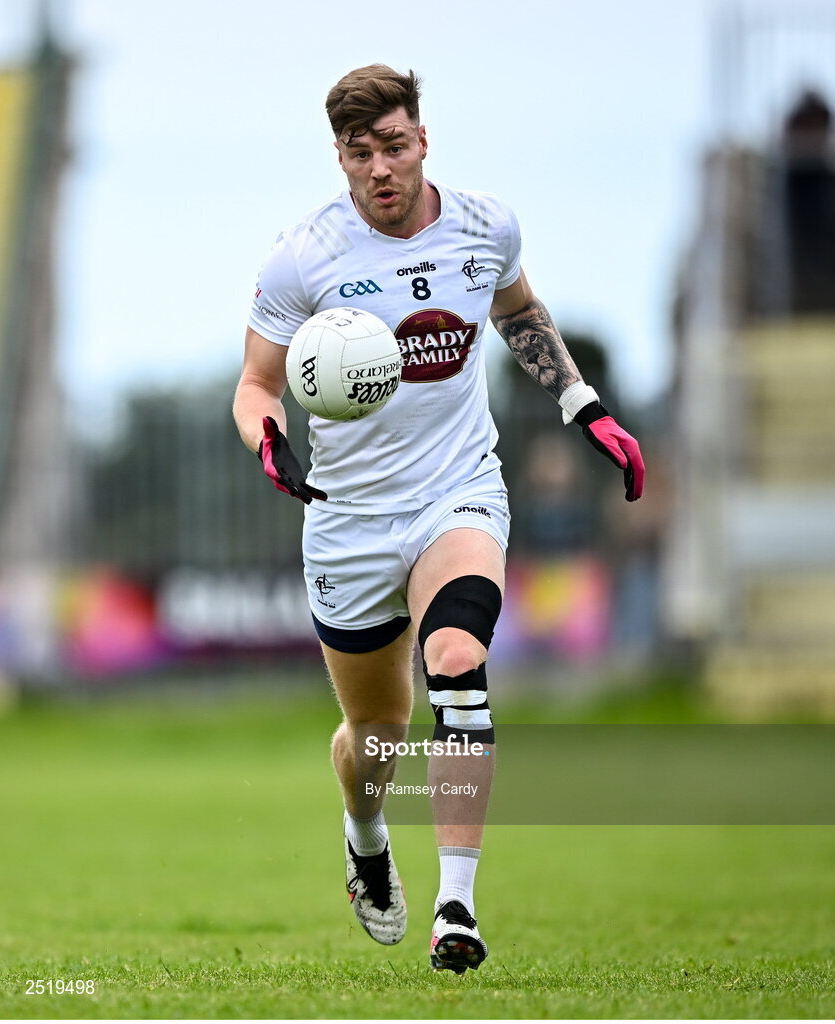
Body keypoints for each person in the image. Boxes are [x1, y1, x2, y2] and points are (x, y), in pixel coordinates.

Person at [233, 64, 645, 974]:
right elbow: (257, 383)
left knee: (458, 658)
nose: (379, 167)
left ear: (424, 139)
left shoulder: (484, 225)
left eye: (393, 144)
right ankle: (366, 833)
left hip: (457, 491)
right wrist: (269, 441)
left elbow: (519, 311)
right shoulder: (303, 257)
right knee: (375, 736)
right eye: (358, 151)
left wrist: (584, 404)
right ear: (338, 157)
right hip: (348, 521)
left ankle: (456, 905)